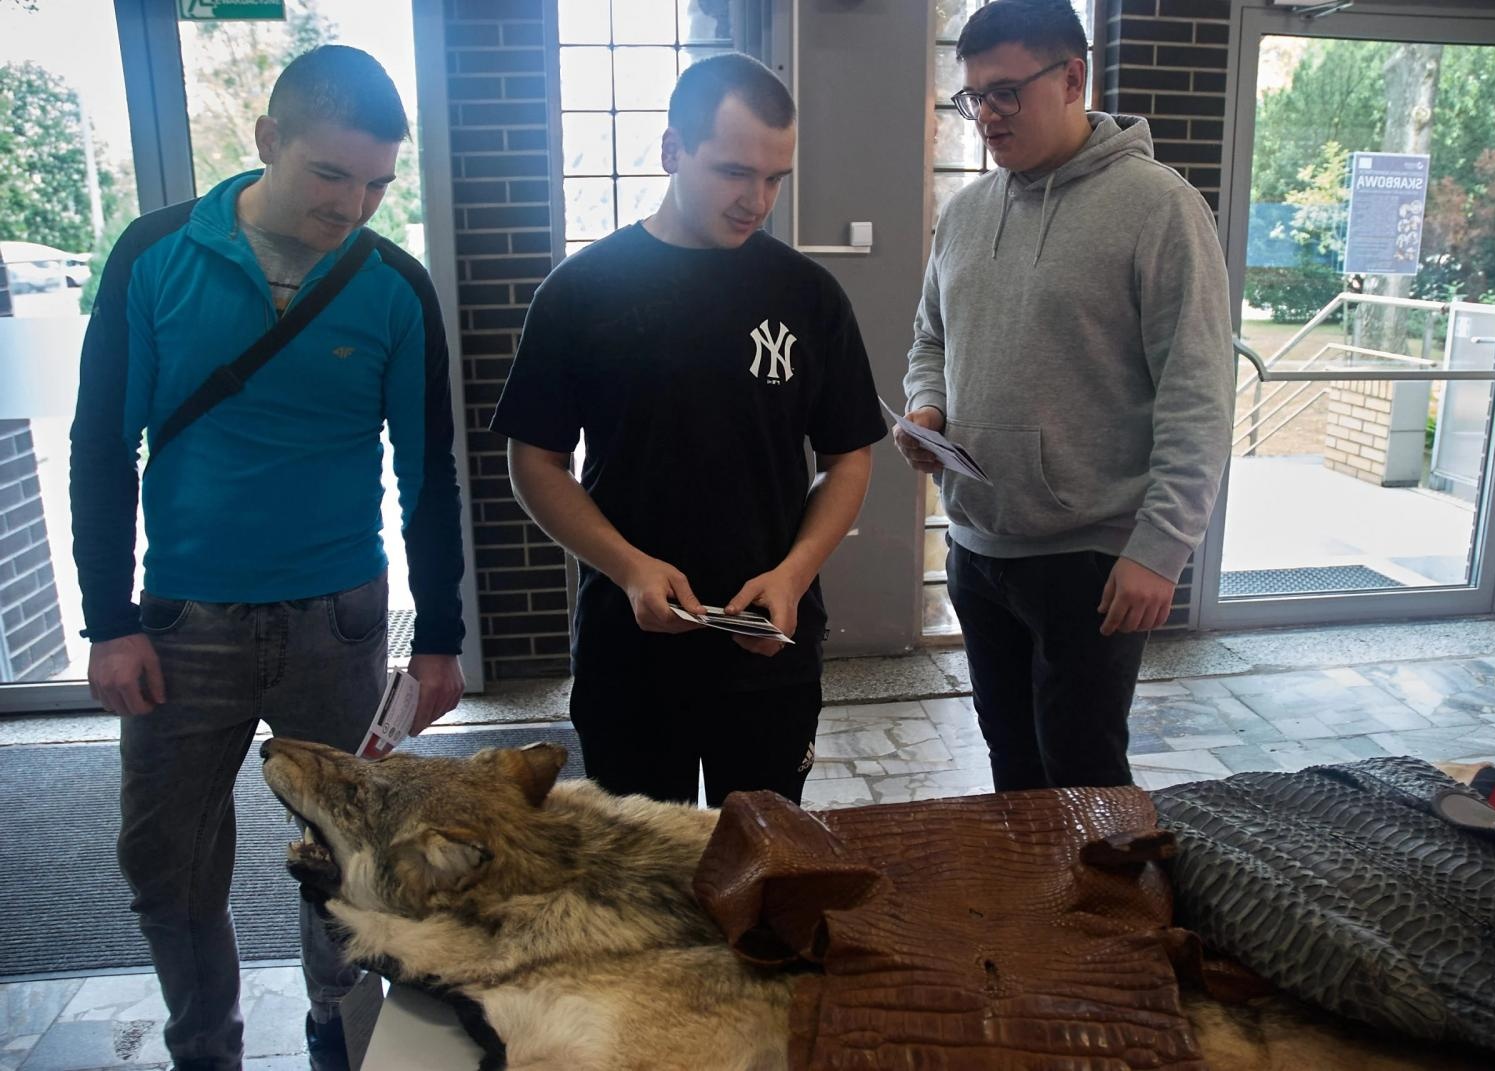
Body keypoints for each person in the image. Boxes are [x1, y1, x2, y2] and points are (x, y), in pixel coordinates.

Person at [69, 45, 466, 1071]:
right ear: (266, 141)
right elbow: (102, 446)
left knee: (349, 856)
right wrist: (108, 621)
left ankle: (338, 1023)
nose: (352, 205)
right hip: (181, 622)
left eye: (377, 184)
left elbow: (427, 470)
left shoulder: (394, 284)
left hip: (337, 618)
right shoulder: (155, 254)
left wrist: (440, 637)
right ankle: (206, 1045)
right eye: (330, 174)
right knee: (167, 862)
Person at [492, 53, 884, 809]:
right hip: (629, 648)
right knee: (639, 871)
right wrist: (629, 567)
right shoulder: (581, 292)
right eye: (734, 172)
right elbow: (535, 462)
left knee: (764, 860)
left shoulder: (809, 294)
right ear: (672, 150)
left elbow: (847, 459)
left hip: (769, 645)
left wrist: (795, 573)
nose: (756, 200)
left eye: (775, 179)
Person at [897, 0, 1234, 791]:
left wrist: (1160, 549)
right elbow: (930, 339)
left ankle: (1107, 884)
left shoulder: (1159, 208)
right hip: (977, 547)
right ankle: (1033, 881)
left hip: (1092, 559)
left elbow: (1198, 392)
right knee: (1012, 769)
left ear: (1073, 77)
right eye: (974, 96)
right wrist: (926, 408)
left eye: (1006, 92)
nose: (987, 115)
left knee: (1085, 778)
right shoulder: (965, 214)